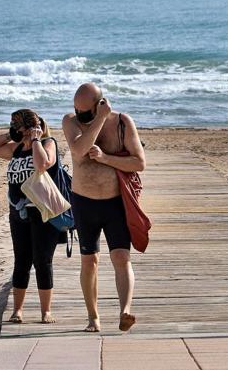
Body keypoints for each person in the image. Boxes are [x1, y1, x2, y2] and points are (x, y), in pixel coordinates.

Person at [62, 83, 145, 332]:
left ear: (100, 104)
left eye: (86, 111)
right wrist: (97, 119)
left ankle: (125, 310)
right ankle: (93, 317)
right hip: (84, 202)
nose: (80, 114)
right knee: (90, 260)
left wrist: (106, 158)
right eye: (77, 109)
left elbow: (139, 163)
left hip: (116, 202)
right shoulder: (71, 122)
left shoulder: (122, 122)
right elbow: (79, 149)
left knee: (121, 256)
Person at [0, 109, 59, 324]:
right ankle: (17, 310)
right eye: (15, 127)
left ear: (33, 127)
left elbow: (43, 164)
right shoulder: (15, 149)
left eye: (19, 127)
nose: (19, 131)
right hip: (18, 212)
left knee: (42, 261)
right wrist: (10, 135)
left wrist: (36, 140)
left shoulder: (48, 144)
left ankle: (46, 311)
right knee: (21, 261)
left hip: (42, 211)